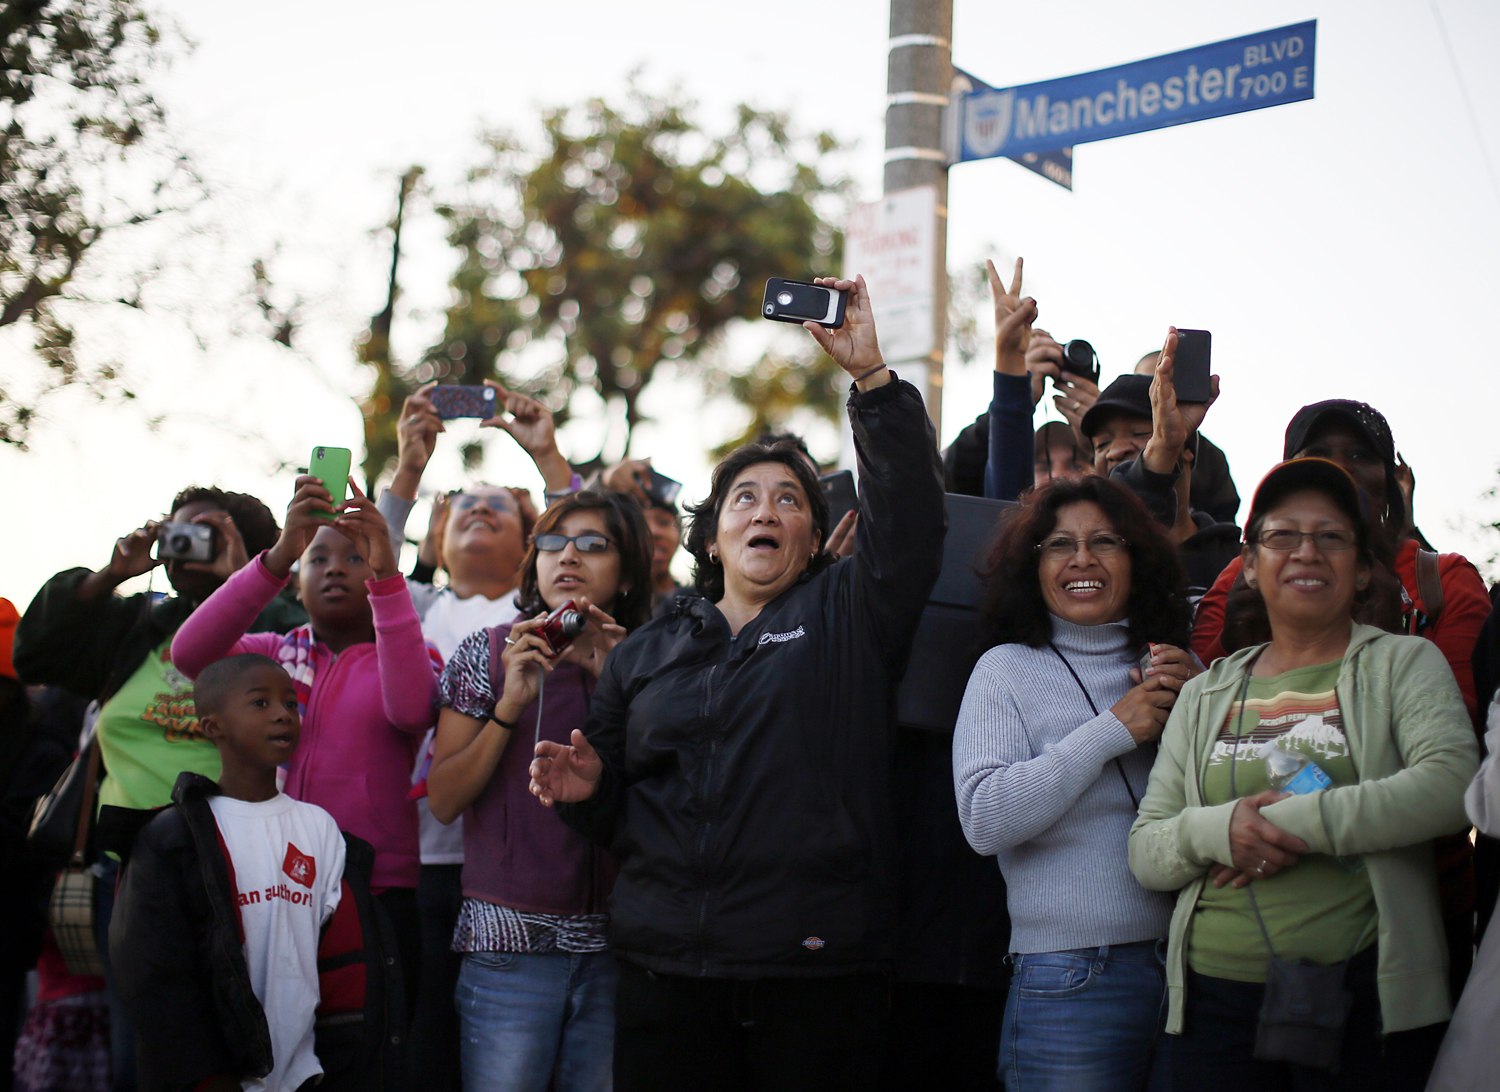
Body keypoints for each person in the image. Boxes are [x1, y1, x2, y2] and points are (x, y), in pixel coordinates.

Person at [528, 274, 945, 1091]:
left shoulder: (851, 615)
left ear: (815, 537)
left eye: (790, 500)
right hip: (666, 977)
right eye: (745, 497)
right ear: (714, 539)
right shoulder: (648, 651)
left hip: (816, 979)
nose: (767, 509)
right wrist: (587, 791)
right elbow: (615, 814)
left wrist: (872, 381)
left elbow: (912, 522)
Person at [1128, 458, 1479, 1089]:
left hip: (1363, 1005)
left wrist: (1285, 825)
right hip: (1210, 1011)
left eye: (1331, 537)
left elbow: (1452, 786)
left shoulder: (1404, 665)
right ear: (1252, 566)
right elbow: (1147, 849)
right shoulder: (1206, 692)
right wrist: (1219, 832)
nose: (1306, 552)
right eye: (1282, 536)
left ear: (1363, 566)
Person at [1190, 400, 1491, 994]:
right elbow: (1206, 734)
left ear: (1392, 477)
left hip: (1413, 908)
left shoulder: (1444, 580)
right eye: (1319, 454)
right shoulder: (1237, 580)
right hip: (1254, 901)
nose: (1342, 467)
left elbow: (1451, 750)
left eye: (1359, 454)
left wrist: (1268, 819)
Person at [14, 485, 301, 1090]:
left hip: (240, 873)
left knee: (243, 1052)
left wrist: (240, 584)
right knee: (140, 1057)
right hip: (127, 875)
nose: (189, 543)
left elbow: (301, 668)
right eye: (180, 531)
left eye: (210, 533)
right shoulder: (133, 627)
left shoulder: (274, 628)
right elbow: (34, 654)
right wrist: (111, 574)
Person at [952, 474, 1197, 1089]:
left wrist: (1203, 699)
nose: (1082, 559)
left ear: (1135, 561)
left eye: (1105, 542)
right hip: (1070, 977)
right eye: (1060, 544)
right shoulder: (1005, 670)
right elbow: (984, 819)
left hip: (1189, 967)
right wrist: (1113, 728)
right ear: (1032, 568)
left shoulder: (1172, 668)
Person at [170, 476, 441, 1012]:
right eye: (318, 559)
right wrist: (279, 553)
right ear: (297, 583)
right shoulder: (269, 655)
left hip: (377, 892)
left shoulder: (413, 651)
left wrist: (388, 576)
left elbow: (412, 708)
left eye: (355, 558)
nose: (336, 568)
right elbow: (191, 655)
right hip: (270, 884)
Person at [379, 380, 574, 1091]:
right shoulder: (415, 607)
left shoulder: (540, 619)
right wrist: (408, 468)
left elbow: (585, 537)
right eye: (465, 505)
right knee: (426, 1040)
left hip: (518, 878)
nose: (482, 511)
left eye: (501, 507)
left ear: (530, 544)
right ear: (435, 537)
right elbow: (372, 557)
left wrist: (549, 461)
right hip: (425, 867)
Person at [427, 491, 651, 1091]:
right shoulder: (487, 651)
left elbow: (682, 791)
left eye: (593, 544)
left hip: (623, 949)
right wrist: (510, 706)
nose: (568, 556)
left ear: (628, 571)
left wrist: (619, 685)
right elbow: (443, 798)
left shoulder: (656, 662)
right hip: (508, 949)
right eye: (552, 542)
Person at [109, 653, 397, 1092]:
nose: (283, 714)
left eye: (290, 704)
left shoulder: (318, 827)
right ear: (212, 727)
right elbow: (157, 976)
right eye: (260, 704)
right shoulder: (175, 837)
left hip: (305, 1072)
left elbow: (343, 964)